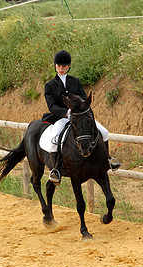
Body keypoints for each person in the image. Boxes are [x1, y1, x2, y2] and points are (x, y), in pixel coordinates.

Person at [43, 50, 120, 185]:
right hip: (62, 117)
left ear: (68, 67)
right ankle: (56, 170)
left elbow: (84, 98)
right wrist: (67, 112)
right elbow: (52, 106)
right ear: (55, 66)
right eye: (59, 66)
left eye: (64, 66)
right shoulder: (50, 85)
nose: (61, 69)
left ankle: (107, 160)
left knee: (104, 132)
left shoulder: (75, 81)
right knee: (54, 139)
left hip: (80, 117)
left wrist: (81, 107)